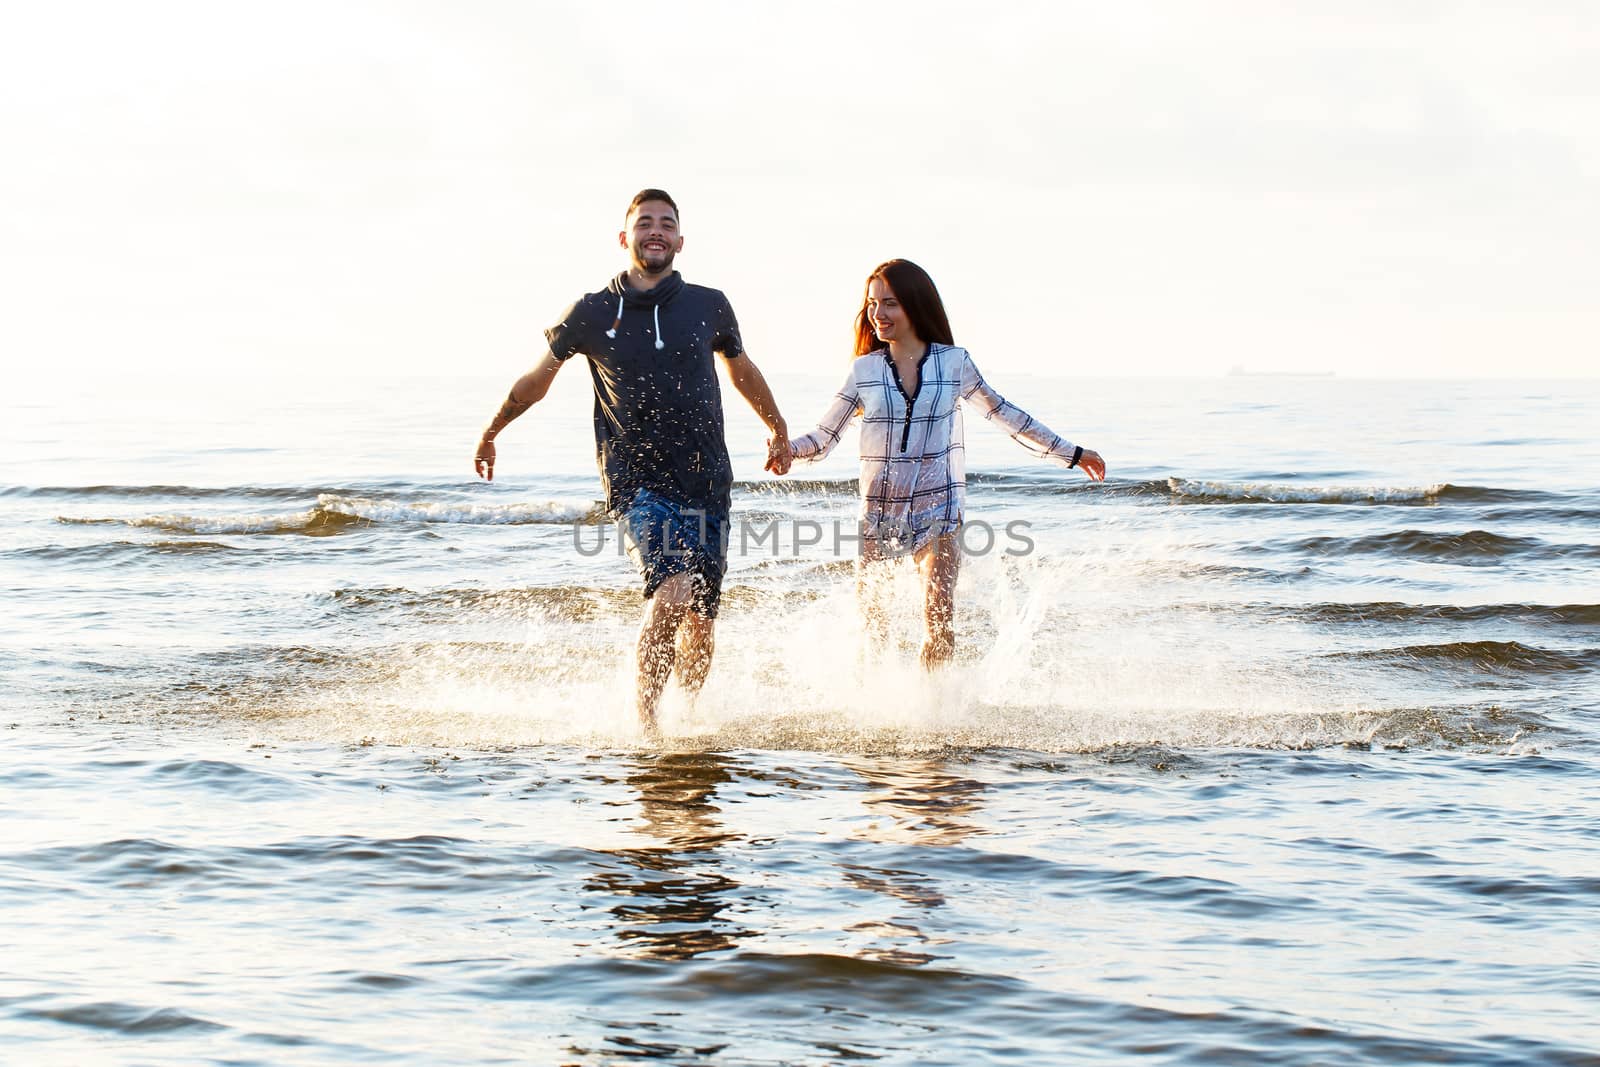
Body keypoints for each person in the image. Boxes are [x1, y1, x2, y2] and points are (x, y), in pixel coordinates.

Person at [474, 189, 792, 731]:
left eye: (666, 224)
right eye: (645, 223)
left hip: (708, 481)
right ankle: (646, 728)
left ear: (680, 241)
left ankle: (689, 724)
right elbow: (536, 380)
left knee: (701, 617)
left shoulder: (709, 304)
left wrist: (777, 426)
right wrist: (492, 430)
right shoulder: (592, 311)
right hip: (638, 481)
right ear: (625, 238)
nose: (656, 231)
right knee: (671, 589)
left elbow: (741, 369)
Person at [779, 258, 1105, 669]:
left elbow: (1005, 414)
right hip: (879, 514)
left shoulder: (953, 363)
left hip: (940, 509)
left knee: (939, 621)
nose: (878, 314)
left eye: (890, 303)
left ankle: (932, 717)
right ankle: (876, 713)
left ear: (916, 305)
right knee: (873, 631)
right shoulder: (863, 371)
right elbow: (824, 437)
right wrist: (788, 449)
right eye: (873, 304)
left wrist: (1070, 453)